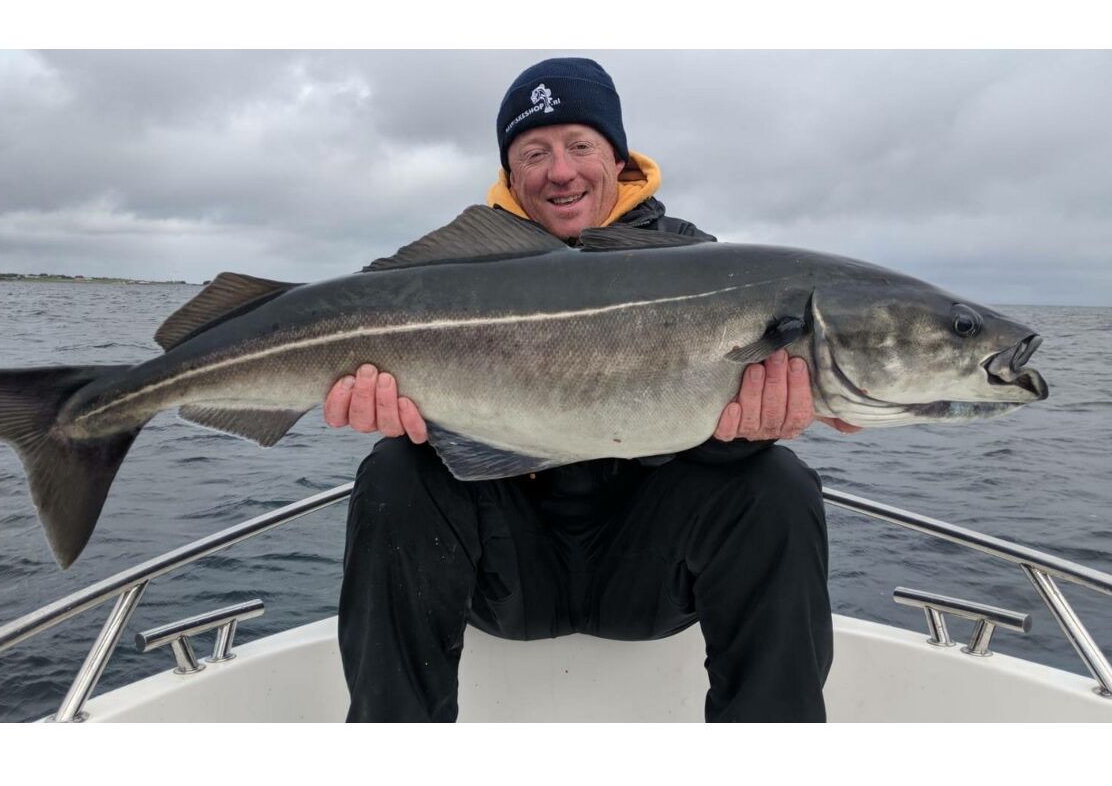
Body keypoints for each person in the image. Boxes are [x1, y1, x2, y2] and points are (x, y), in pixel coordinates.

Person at [326, 57, 860, 723]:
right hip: (504, 573)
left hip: (648, 573)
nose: (560, 171)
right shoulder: (460, 271)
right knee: (395, 472)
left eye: (580, 145)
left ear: (619, 160)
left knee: (776, 484)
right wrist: (407, 421)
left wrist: (744, 434)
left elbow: (711, 456)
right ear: (509, 175)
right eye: (534, 153)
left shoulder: (700, 267)